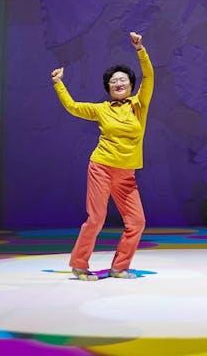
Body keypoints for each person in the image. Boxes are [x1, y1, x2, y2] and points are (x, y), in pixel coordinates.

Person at [50, 31, 153, 281]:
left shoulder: (139, 105)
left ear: (131, 84)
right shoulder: (102, 109)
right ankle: (79, 264)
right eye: (113, 82)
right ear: (108, 88)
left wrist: (140, 49)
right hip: (102, 167)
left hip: (127, 174)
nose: (118, 84)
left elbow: (149, 75)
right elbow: (74, 107)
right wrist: (58, 84)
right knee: (96, 218)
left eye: (123, 80)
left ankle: (119, 267)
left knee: (137, 221)